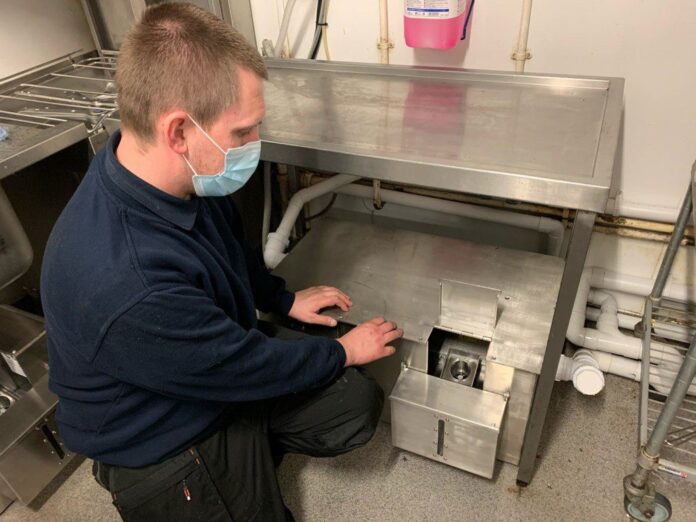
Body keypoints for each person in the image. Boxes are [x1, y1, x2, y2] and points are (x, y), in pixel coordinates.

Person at [40, 4, 402, 521]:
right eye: (242, 133)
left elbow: (233, 255)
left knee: (353, 405)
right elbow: (241, 365)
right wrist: (342, 350)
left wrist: (280, 299)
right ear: (178, 132)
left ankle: (247, 448)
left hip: (205, 367)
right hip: (160, 437)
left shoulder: (173, 176)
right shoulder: (127, 281)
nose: (254, 145)